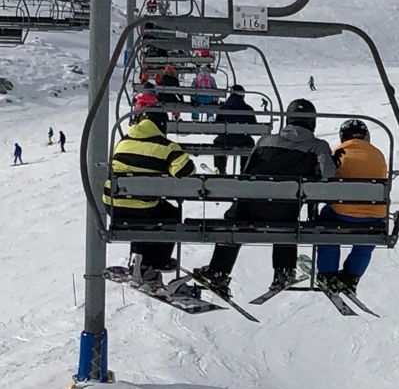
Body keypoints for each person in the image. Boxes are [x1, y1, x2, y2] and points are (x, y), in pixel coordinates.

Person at [192, 99, 335, 296]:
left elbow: (247, 172)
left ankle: (219, 271)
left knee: (234, 218)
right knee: (288, 217)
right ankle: (284, 271)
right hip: (285, 215)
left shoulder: (265, 141)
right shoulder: (317, 147)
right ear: (312, 122)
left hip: (249, 209)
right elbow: (328, 174)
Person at [104, 108, 197, 295]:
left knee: (140, 214)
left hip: (114, 206)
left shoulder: (123, 142)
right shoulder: (165, 147)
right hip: (141, 208)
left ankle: (138, 259)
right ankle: (155, 264)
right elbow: (185, 171)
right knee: (169, 215)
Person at [314, 119, 389, 293]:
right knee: (368, 239)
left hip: (343, 214)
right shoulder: (378, 155)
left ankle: (328, 273)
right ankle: (352, 275)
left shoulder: (339, 153)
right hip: (375, 216)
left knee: (326, 225)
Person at [212, 84, 257, 174]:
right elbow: (253, 126)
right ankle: (245, 170)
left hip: (225, 140)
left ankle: (221, 169)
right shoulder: (248, 109)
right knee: (250, 144)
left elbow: (217, 125)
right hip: (244, 141)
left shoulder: (223, 108)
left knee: (218, 143)